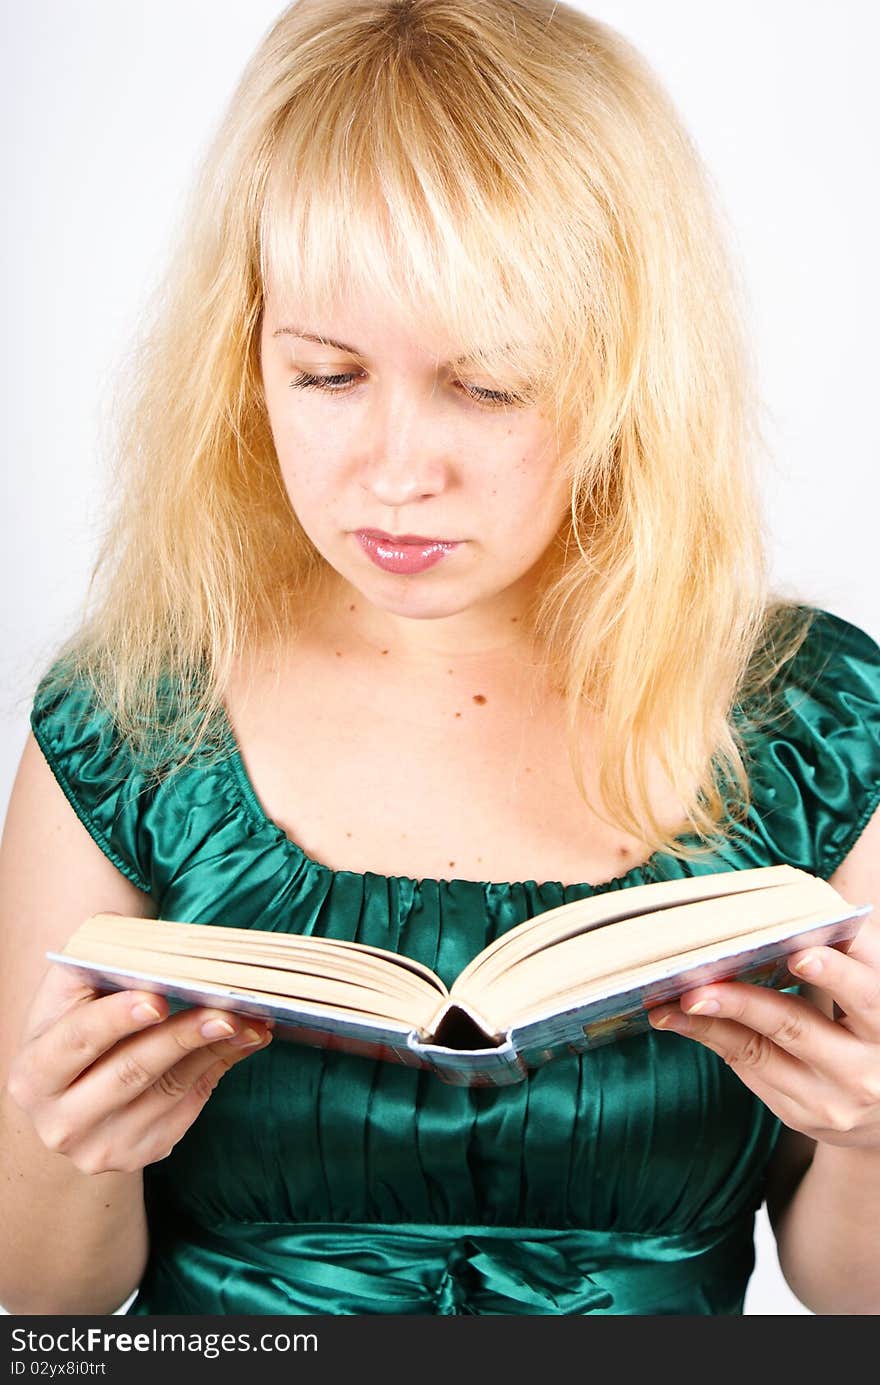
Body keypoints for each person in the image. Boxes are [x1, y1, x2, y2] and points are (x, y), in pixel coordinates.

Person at [1, 0, 878, 1318]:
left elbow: (849, 1299)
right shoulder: (134, 715)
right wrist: (74, 1152)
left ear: (629, 371)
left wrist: (869, 1137)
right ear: (246, 361)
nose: (398, 472)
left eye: (489, 382)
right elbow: (40, 1306)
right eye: (328, 374)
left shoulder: (816, 720)